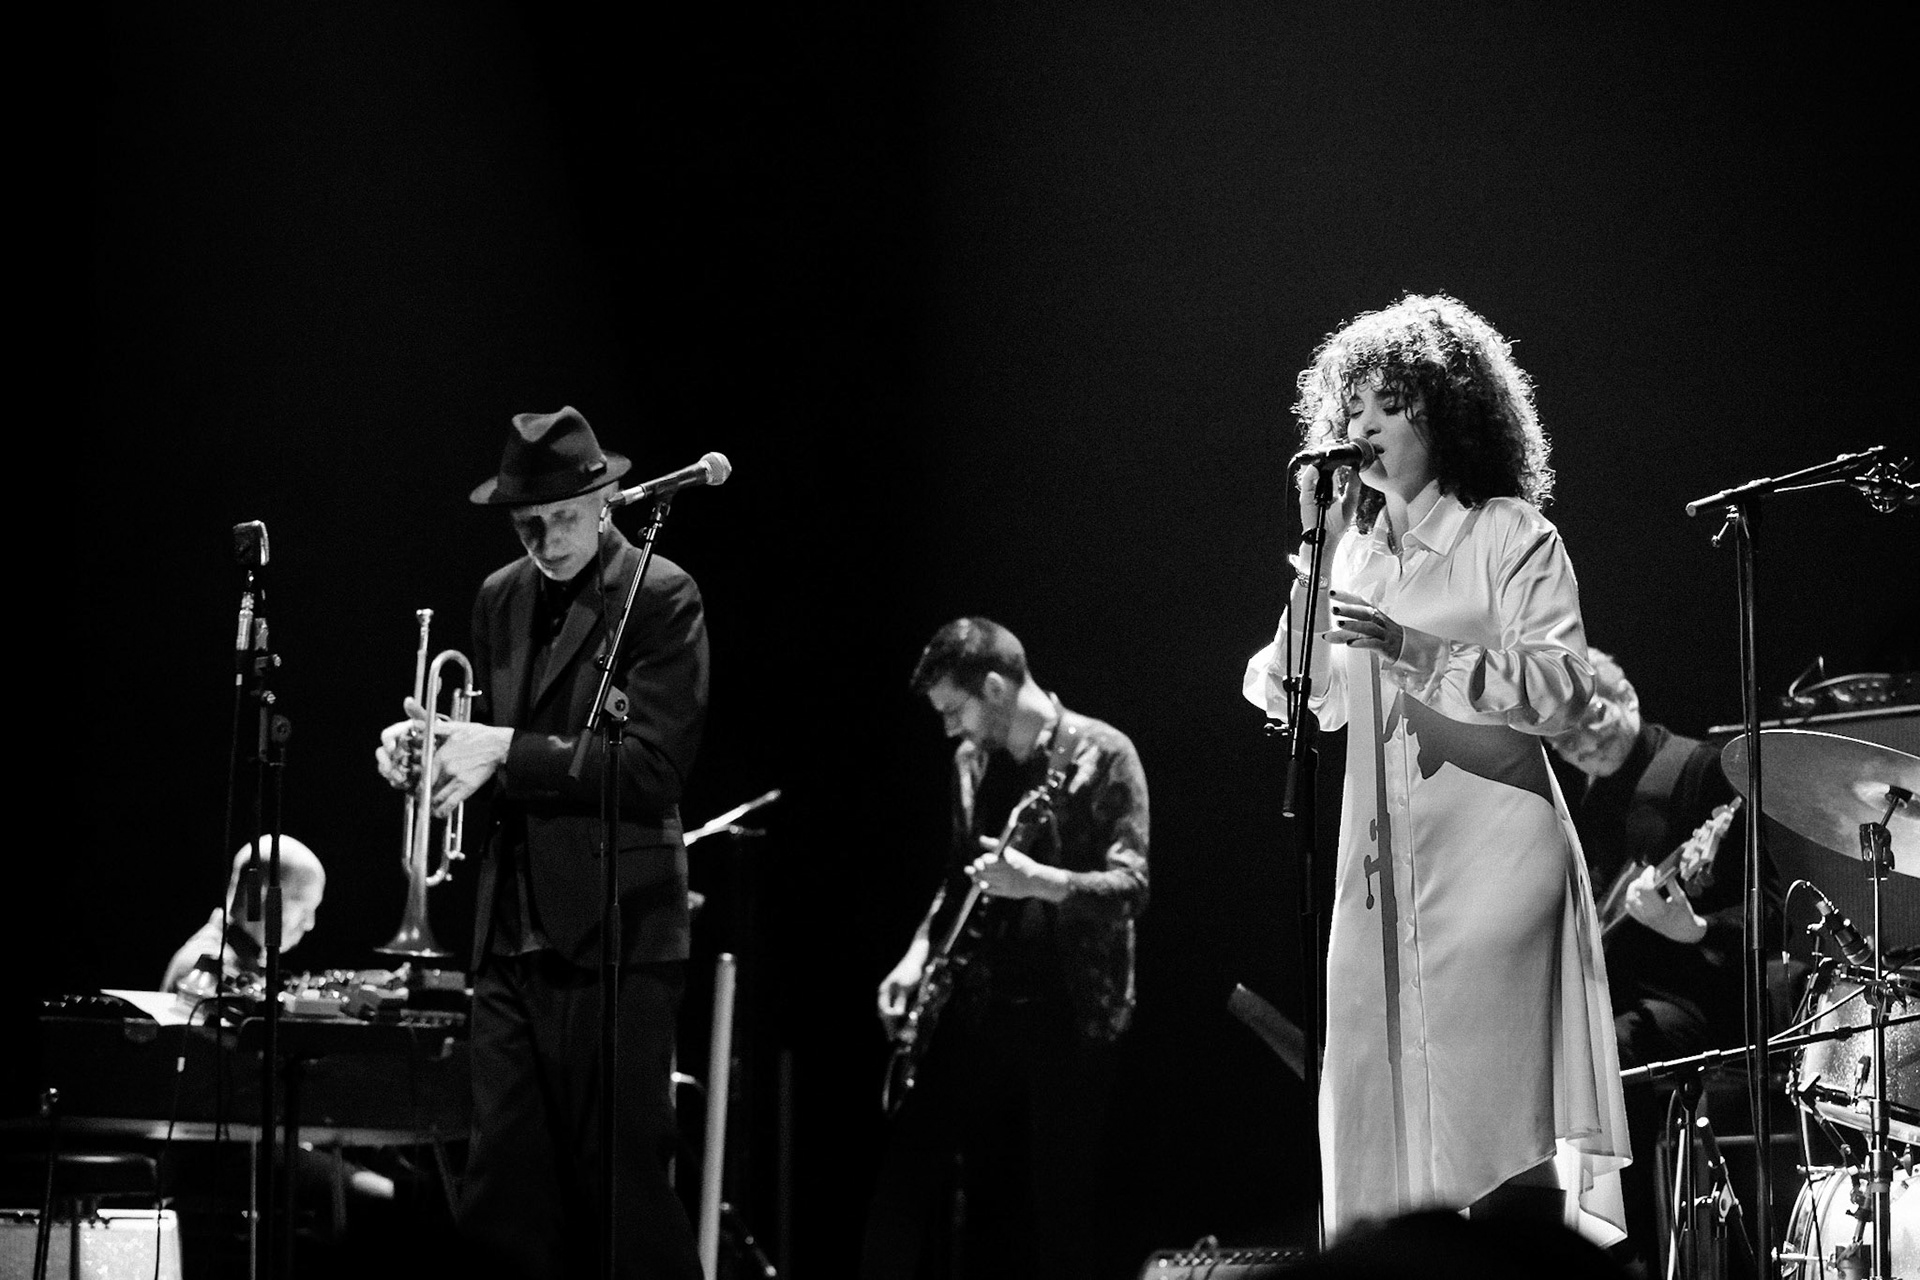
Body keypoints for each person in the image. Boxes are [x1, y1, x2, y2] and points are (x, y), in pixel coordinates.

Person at [1241, 294, 1629, 1244]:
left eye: (1389, 405)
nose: (1365, 427)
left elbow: (1565, 687)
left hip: (1498, 862)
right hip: (1377, 879)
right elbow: (1297, 693)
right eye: (1353, 409)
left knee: (1496, 1119)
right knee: (1377, 1119)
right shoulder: (1354, 559)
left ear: (1447, 413)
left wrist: (1417, 650)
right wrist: (1319, 551)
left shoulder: (1509, 533)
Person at [376, 405, 708, 1280]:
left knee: (623, 1193)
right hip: (511, 931)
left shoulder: (661, 593)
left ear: (605, 504)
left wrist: (502, 748)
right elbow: (492, 742)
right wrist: (430, 753)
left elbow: (653, 769)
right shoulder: (500, 596)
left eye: (565, 517)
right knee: (502, 1195)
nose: (548, 540)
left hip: (618, 931)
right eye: (530, 523)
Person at [862, 617, 1149, 1280]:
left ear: (994, 687)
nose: (948, 729)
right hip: (981, 1001)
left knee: (1061, 1206)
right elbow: (958, 876)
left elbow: (1132, 888)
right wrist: (916, 955)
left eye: (954, 710)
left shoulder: (1103, 753)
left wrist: (1037, 881)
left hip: (1072, 1012)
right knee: (905, 1172)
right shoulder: (971, 762)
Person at [1547, 647, 1759, 1268]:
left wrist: (1694, 929)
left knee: (1606, 1051)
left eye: (1592, 719)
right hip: (1613, 997)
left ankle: (1626, 1251)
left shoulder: (1701, 771)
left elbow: (1769, 910)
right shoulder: (1587, 802)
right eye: (1563, 742)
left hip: (1697, 999)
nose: (1583, 746)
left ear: (1628, 698)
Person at [162, 835, 326, 996]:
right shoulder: (209, 971)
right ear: (256, 894)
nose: (309, 923)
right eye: (301, 903)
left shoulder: (239, 963)